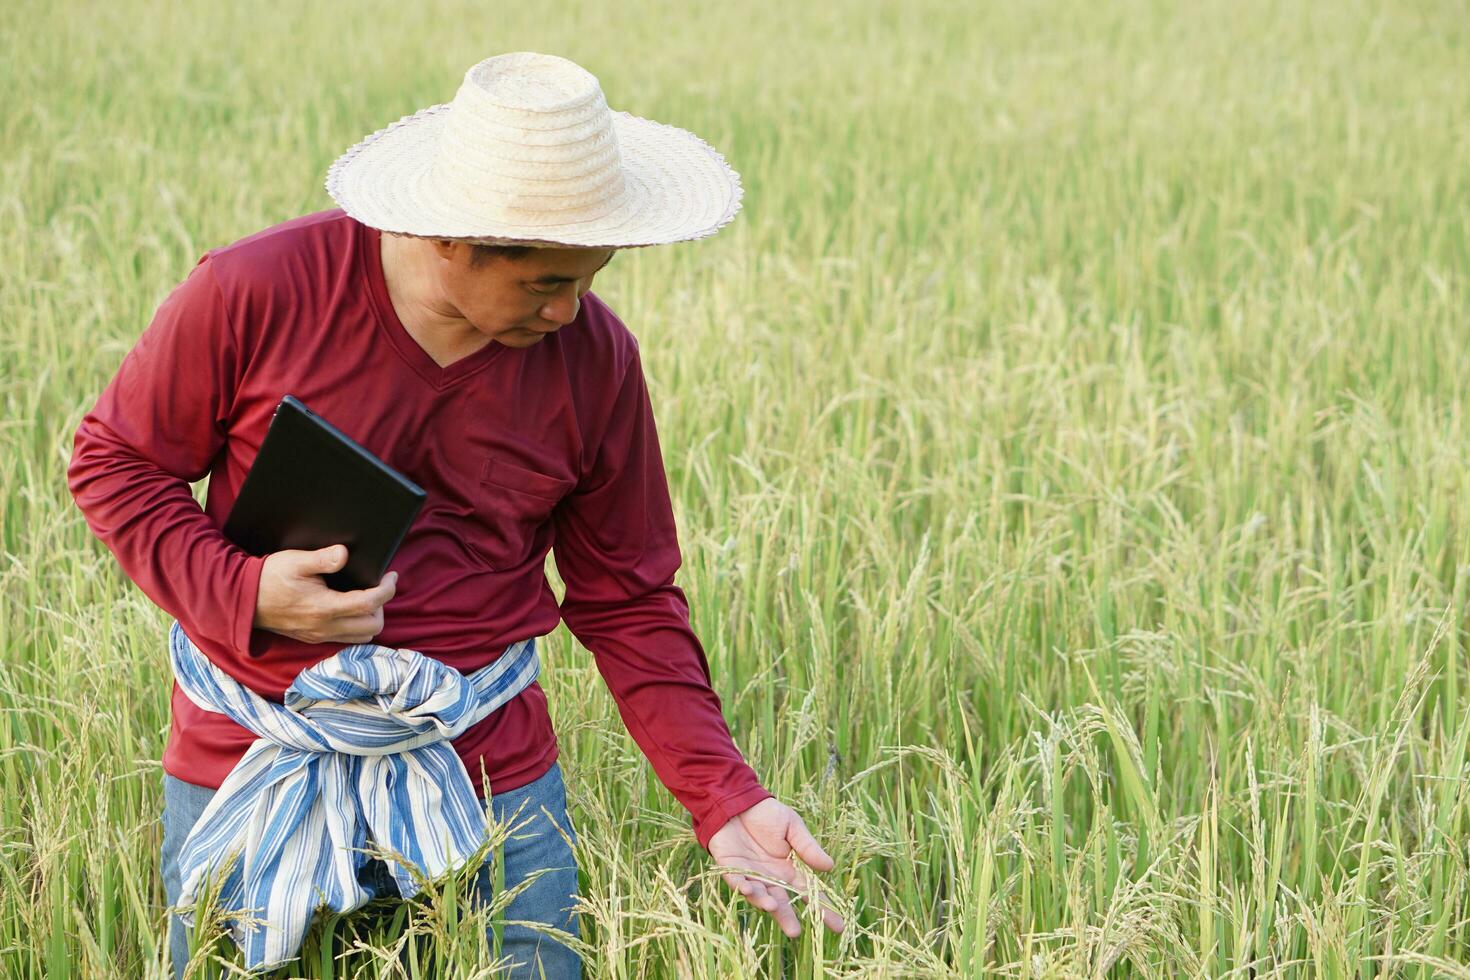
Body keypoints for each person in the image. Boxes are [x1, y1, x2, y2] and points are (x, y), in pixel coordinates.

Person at [66, 52, 843, 978]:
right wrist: (245, 591)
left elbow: (627, 597)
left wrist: (722, 796)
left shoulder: (596, 361)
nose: (569, 310)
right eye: (543, 283)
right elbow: (115, 463)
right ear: (449, 238)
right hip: (255, 744)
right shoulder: (256, 292)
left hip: (487, 758)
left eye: (588, 278)